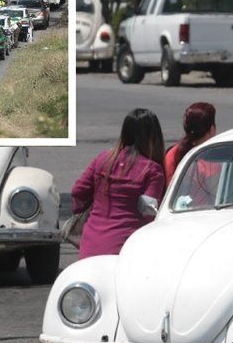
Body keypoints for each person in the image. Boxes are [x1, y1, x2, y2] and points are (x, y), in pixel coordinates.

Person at [70, 108, 166, 259]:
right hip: (126, 249)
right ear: (153, 137)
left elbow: (78, 191)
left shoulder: (103, 159)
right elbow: (148, 212)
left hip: (90, 245)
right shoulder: (153, 170)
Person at [164, 102, 219, 207]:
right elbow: (218, 199)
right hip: (200, 216)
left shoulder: (172, 153)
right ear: (212, 129)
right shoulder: (210, 160)